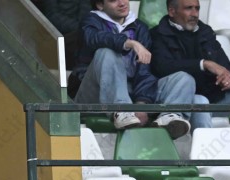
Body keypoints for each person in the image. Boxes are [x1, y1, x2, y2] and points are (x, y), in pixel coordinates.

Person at [68, 0, 192, 138]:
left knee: (183, 78)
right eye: (113, 0)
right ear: (100, 5)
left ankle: (169, 117)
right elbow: (94, 38)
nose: (122, 3)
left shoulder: (139, 28)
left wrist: (141, 104)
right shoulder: (90, 21)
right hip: (94, 94)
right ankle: (121, 110)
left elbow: (144, 71)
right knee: (107, 52)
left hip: (130, 94)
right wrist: (128, 43)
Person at [149, 0, 230, 130]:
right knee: (200, 101)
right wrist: (203, 64)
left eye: (197, 8)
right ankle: (203, 144)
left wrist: (228, 80)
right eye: (188, 8)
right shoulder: (157, 34)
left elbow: (224, 67)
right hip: (185, 100)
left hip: (215, 97)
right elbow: (162, 67)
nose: (194, 14)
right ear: (172, 11)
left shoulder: (205, 31)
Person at [38, 0, 91, 68]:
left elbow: (85, 15)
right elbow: (53, 17)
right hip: (55, 35)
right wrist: (79, 28)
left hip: (78, 34)